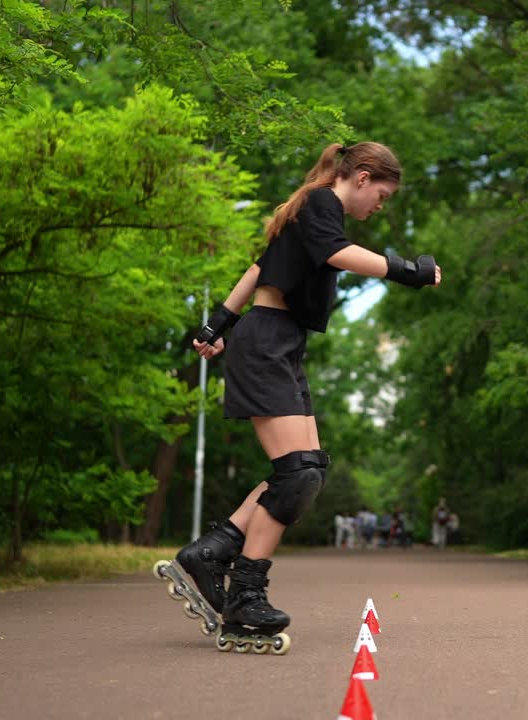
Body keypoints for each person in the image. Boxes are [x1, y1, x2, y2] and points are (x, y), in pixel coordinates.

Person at [168, 142, 442, 644]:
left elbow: (261, 267)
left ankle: (212, 552)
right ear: (362, 177)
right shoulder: (322, 203)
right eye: (381, 196)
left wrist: (218, 324)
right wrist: (407, 270)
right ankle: (245, 593)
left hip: (280, 342)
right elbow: (338, 255)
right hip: (267, 342)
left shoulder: (312, 211)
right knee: (296, 475)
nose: (379, 206)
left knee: (304, 470)